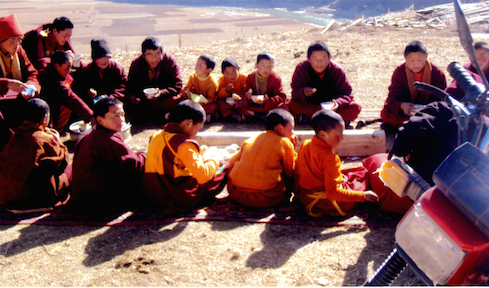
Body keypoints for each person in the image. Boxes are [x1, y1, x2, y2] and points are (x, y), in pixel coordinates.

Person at [294, 110, 412, 217]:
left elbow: (298, 172)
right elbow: (332, 193)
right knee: (362, 179)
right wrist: (363, 196)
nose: (342, 139)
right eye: (338, 135)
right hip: (327, 203)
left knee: (356, 172)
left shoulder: (305, 144)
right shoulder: (329, 158)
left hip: (306, 198)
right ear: (323, 134)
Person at [142, 100, 228, 216]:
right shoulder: (183, 144)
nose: (197, 133)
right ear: (188, 123)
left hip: (152, 195)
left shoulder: (156, 135)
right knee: (223, 169)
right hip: (175, 198)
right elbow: (203, 176)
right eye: (198, 129)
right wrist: (215, 160)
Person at [67, 97, 146, 216]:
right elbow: (133, 164)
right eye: (115, 116)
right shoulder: (107, 138)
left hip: (82, 201)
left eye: (122, 115)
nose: (121, 120)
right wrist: (144, 155)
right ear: (100, 120)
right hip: (100, 204)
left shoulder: (90, 137)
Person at [0, 98, 70, 213]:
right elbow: (60, 164)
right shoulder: (44, 138)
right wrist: (58, 142)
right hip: (29, 199)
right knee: (68, 172)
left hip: (8, 197)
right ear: (45, 119)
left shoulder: (16, 135)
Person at [227, 109, 297, 208]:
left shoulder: (250, 140)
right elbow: (289, 172)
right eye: (291, 129)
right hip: (264, 198)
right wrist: (292, 150)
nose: (293, 133)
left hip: (238, 194)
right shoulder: (285, 142)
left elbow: (231, 163)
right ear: (280, 128)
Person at [290, 41, 361, 126]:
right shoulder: (301, 68)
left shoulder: (336, 70)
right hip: (311, 106)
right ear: (308, 59)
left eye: (323, 59)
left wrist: (337, 103)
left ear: (329, 58)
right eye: (315, 59)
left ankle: (310, 118)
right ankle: (336, 119)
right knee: (290, 105)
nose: (319, 63)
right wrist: (303, 92)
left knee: (355, 107)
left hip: (332, 108)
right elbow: (295, 92)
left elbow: (346, 93)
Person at [381, 40, 447, 131]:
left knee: (442, 117)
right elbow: (392, 97)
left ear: (426, 56)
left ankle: (411, 125)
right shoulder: (400, 72)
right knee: (386, 113)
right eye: (411, 60)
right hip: (408, 111)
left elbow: (442, 100)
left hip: (429, 111)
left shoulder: (436, 73)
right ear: (405, 58)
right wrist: (402, 105)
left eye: (420, 60)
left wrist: (426, 108)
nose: (416, 64)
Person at [0, 14, 41, 140]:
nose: (17, 44)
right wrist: (6, 84)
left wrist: (31, 85)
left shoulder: (18, 52)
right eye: (12, 39)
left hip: (15, 100)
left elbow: (32, 72)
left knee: (38, 107)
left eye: (19, 39)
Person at [125, 36, 183, 124]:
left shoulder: (169, 61)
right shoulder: (137, 63)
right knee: (128, 104)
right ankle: (162, 116)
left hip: (163, 99)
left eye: (157, 54)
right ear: (143, 55)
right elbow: (131, 86)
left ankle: (148, 116)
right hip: (144, 100)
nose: (154, 58)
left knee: (177, 100)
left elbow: (177, 85)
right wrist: (134, 96)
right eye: (150, 55)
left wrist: (161, 93)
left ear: (162, 53)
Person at [38, 50, 93, 132]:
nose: (69, 71)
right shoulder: (52, 79)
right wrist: (90, 116)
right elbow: (70, 97)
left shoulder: (47, 65)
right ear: (57, 66)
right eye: (67, 67)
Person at [72, 39, 127, 107]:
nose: (103, 61)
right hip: (93, 104)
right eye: (100, 58)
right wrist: (87, 91)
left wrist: (109, 99)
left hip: (114, 104)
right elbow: (79, 87)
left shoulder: (117, 68)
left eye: (106, 57)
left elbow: (122, 87)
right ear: (94, 59)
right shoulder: (87, 70)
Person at [235, 52, 287, 121]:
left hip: (269, 105)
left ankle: (254, 115)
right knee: (238, 105)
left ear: (273, 67)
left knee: (284, 106)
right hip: (254, 104)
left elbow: (281, 97)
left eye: (269, 66)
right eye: (263, 65)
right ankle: (265, 116)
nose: (266, 69)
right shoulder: (251, 77)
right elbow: (244, 93)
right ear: (256, 65)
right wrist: (248, 97)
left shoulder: (275, 78)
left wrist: (267, 100)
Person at [181, 54, 218, 122]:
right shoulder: (193, 77)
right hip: (193, 100)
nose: (197, 67)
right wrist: (187, 93)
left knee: (213, 106)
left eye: (200, 66)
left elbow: (211, 98)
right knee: (181, 101)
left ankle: (207, 116)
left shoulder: (212, 83)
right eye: (197, 64)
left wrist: (205, 100)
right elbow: (186, 89)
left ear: (209, 70)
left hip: (205, 103)